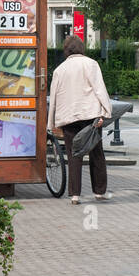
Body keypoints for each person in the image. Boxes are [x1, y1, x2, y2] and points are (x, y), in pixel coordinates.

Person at [47, 35, 113, 205]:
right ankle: (99, 192)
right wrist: (106, 111)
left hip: (68, 117)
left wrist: (51, 123)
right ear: (82, 48)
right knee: (97, 154)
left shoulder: (59, 70)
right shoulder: (91, 64)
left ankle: (75, 195)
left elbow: (53, 98)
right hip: (90, 116)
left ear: (66, 50)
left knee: (73, 155)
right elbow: (99, 89)